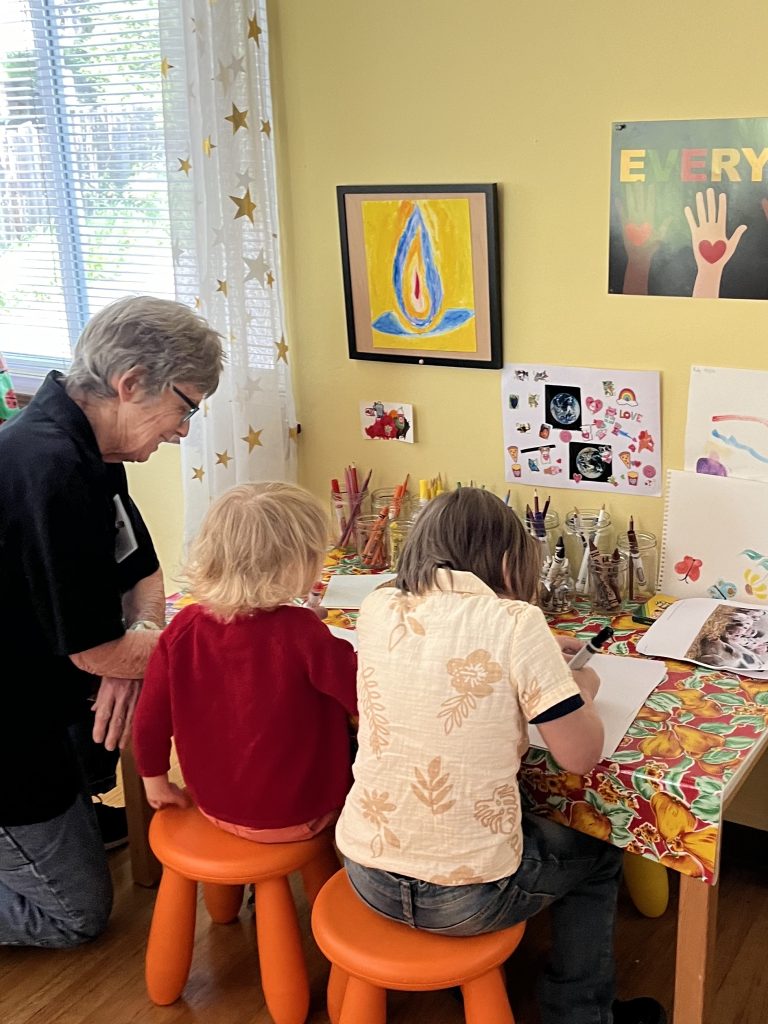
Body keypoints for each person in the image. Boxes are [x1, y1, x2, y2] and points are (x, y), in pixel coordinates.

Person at [335, 488, 666, 1024]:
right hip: (466, 899)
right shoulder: (515, 623)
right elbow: (580, 755)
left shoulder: (376, 607)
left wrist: (537, 653)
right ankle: (580, 1013)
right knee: (601, 851)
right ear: (512, 561)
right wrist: (577, 688)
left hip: (366, 873)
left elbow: (447, 644)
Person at [0, 296, 223, 948]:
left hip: (48, 692)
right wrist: (119, 656)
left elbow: (145, 577)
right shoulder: (50, 469)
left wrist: (138, 647)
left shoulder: (94, 450)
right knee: (76, 916)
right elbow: (99, 653)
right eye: (186, 406)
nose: (184, 429)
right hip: (11, 722)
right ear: (129, 384)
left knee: (100, 811)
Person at [132, 482, 358, 844]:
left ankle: (242, 897)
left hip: (214, 806)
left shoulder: (182, 628)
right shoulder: (302, 632)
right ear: (294, 565)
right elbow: (362, 693)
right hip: (303, 812)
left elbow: (148, 719)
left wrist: (154, 779)